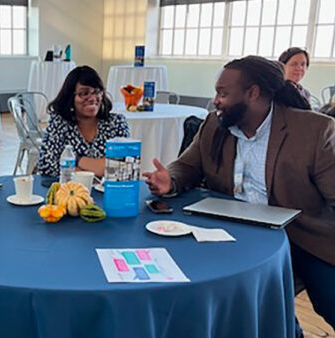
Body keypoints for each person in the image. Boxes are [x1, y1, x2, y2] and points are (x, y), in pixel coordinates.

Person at [143, 56, 335, 336]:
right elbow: (187, 166)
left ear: (253, 93)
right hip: (232, 236)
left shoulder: (313, 131)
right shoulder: (214, 125)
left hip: (303, 238)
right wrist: (169, 179)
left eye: (222, 93)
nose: (215, 101)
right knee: (246, 303)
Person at [38, 66, 130, 177]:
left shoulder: (117, 123)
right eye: (84, 93)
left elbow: (123, 167)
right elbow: (45, 165)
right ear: (70, 97)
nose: (92, 98)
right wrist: (98, 167)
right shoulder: (60, 122)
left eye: (97, 92)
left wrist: (77, 160)